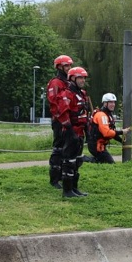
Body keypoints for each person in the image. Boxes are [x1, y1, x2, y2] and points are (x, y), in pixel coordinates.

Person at [56, 66, 90, 198]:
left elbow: (84, 112)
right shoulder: (67, 94)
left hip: (80, 132)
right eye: (80, 78)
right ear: (72, 78)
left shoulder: (82, 93)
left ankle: (74, 188)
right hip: (71, 132)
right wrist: (71, 133)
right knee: (69, 161)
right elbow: (63, 115)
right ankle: (67, 190)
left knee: (77, 161)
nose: (83, 80)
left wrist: (87, 129)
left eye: (84, 78)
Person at [46, 55, 73, 189]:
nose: (69, 68)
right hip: (59, 121)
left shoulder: (68, 82)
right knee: (58, 149)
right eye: (67, 66)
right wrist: (62, 120)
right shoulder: (56, 82)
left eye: (70, 66)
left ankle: (64, 175)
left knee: (67, 149)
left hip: (68, 120)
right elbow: (54, 103)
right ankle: (54, 179)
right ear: (59, 67)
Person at [88, 93, 131, 164]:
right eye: (110, 102)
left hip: (101, 145)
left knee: (101, 161)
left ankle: (84, 159)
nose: (113, 104)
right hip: (96, 145)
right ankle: (82, 159)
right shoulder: (102, 115)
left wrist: (121, 141)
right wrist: (122, 132)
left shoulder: (108, 115)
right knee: (110, 163)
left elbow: (112, 132)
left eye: (114, 102)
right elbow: (107, 133)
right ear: (105, 103)